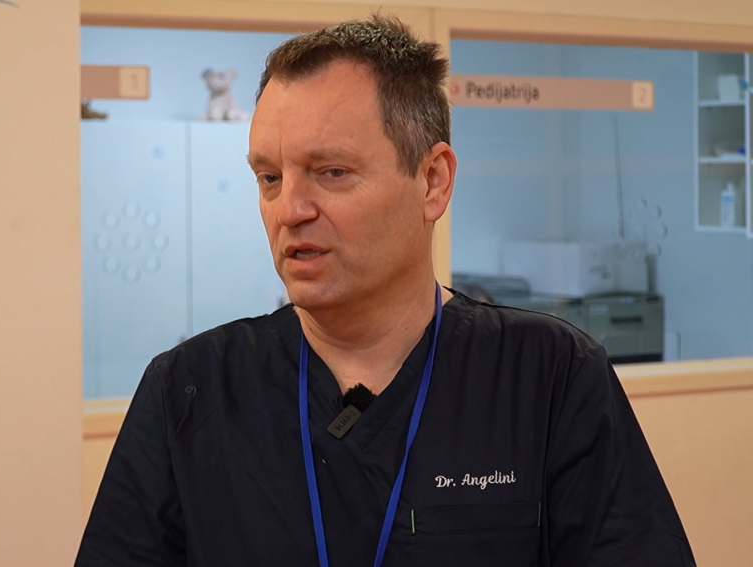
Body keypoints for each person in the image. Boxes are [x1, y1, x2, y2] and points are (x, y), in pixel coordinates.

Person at [75, 14, 696, 567]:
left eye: (331, 172)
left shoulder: (549, 378)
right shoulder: (190, 392)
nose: (289, 209)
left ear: (432, 181)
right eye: (269, 177)